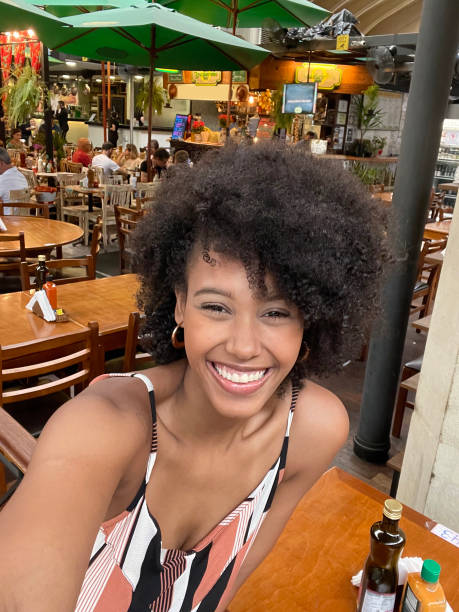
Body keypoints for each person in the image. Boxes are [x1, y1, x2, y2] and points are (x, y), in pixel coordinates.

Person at [0, 142, 389, 611]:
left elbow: (222, 590)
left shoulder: (313, 429)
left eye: (276, 312)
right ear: (180, 303)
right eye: (216, 306)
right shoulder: (103, 431)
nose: (244, 346)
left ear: (312, 316)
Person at [0, 147, 28, 214]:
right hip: (24, 220)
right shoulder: (21, 176)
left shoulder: (2, 179)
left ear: (1, 163)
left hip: (6, 222)